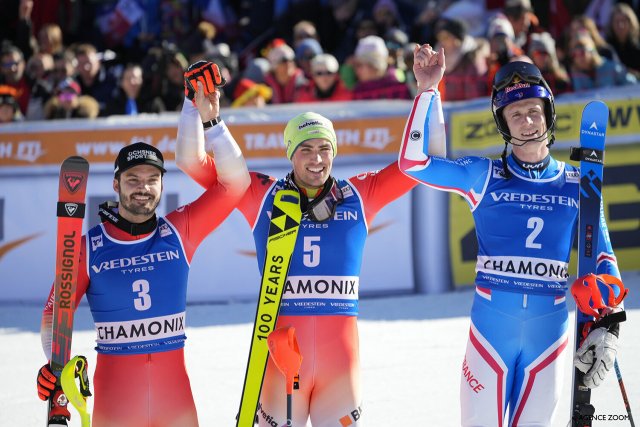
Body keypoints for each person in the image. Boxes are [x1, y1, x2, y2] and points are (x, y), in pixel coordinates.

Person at [175, 50, 446, 426]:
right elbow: (192, 162)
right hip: (279, 364)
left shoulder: (359, 195)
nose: (316, 159)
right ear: (290, 154)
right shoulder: (261, 195)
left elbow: (429, 160)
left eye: (324, 149)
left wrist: (429, 91)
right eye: (306, 149)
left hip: (340, 367)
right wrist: (195, 107)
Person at [398, 47, 625, 426]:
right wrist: (427, 90)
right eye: (515, 114)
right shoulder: (482, 176)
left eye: (534, 110)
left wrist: (608, 326)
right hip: (490, 338)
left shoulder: (578, 184)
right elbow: (413, 163)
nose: (527, 121)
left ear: (548, 113)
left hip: (548, 341)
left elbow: (604, 260)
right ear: (503, 123)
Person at [36, 72, 250, 426]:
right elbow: (53, 315)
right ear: (116, 184)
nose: (143, 188)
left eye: (152, 179)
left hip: (175, 401)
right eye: (133, 179)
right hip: (116, 402)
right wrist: (56, 365)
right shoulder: (88, 246)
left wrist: (204, 116)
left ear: (162, 184)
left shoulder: (179, 230)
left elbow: (235, 184)